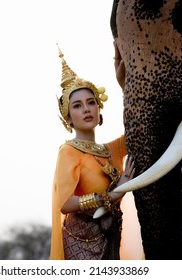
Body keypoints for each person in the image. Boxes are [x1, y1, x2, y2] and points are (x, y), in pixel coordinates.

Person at [50, 46, 136, 260]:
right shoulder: (68, 152)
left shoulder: (111, 150)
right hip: (81, 242)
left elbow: (137, 127)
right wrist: (113, 194)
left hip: (111, 234)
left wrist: (126, 85)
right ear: (68, 118)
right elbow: (65, 204)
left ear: (99, 109)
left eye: (91, 103)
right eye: (77, 106)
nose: (87, 109)